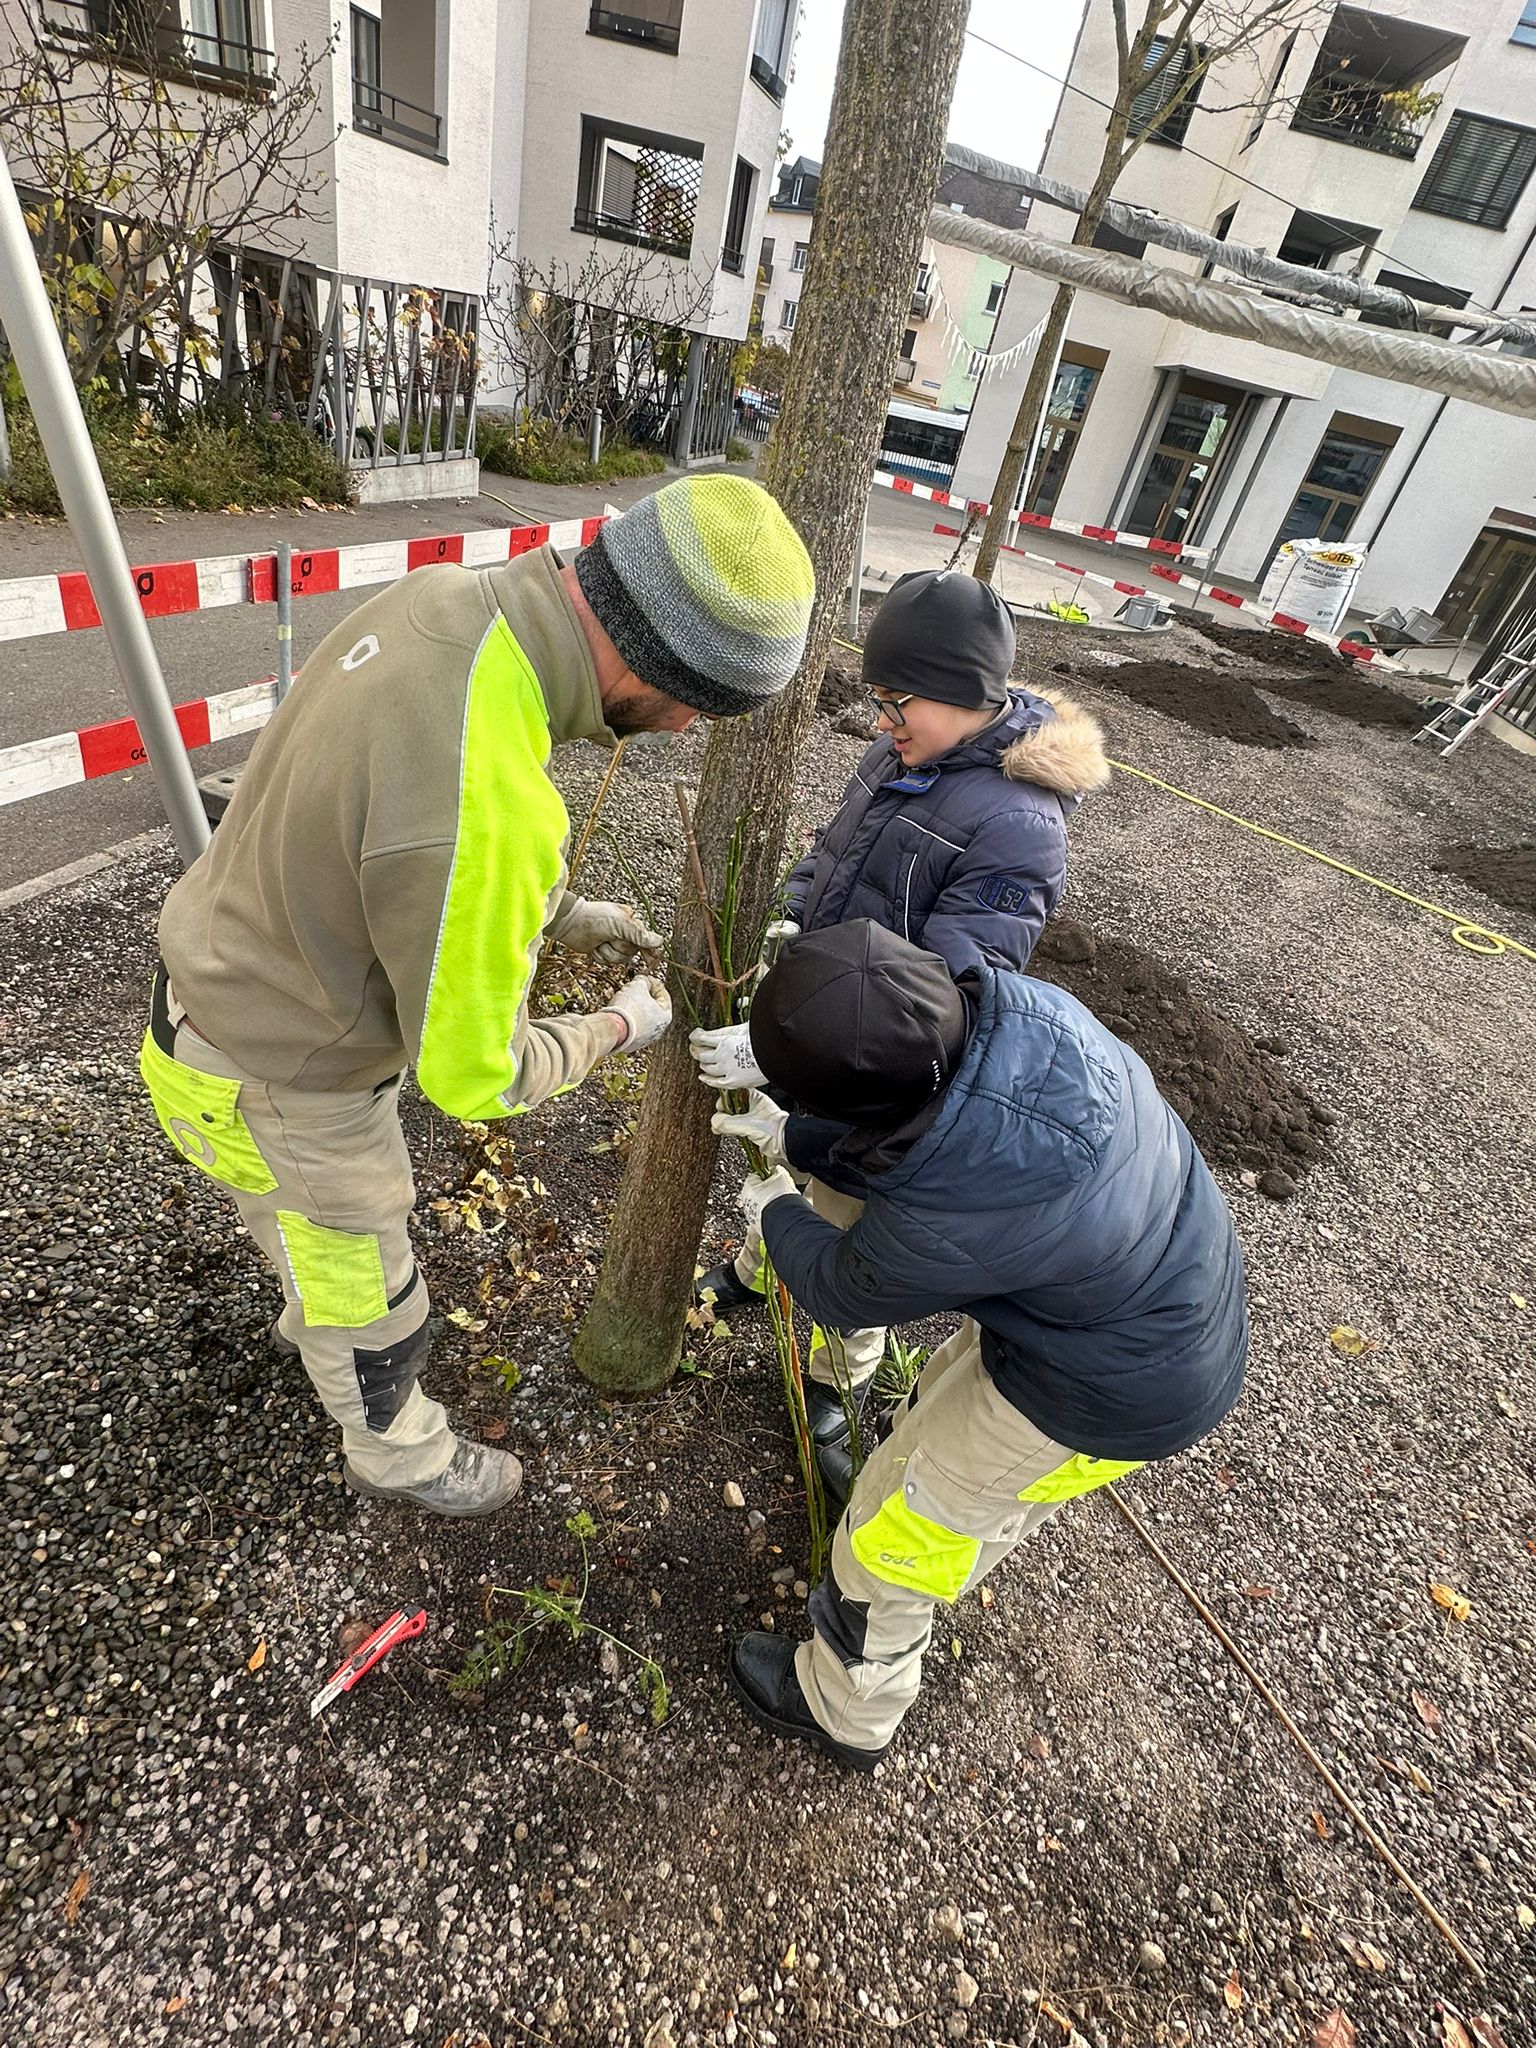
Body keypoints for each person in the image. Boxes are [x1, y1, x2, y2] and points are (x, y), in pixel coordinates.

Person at [140, 476, 814, 1517]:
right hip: (277, 1080)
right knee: (381, 1307)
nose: (682, 730)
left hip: (214, 988)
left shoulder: (448, 603)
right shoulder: (494, 805)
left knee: (319, 1255)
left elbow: (399, 830)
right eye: (697, 704)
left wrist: (561, 908)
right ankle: (393, 1447)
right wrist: (615, 1025)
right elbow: (473, 1074)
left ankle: (319, 1316)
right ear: (655, 661)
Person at [712, 920, 1248, 1769]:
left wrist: (775, 1204)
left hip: (1113, 1387)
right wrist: (798, 1133)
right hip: (1150, 1289)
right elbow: (911, 1133)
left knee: (900, 1531)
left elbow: (842, 1284)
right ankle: (951, 1520)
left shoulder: (948, 1214)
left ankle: (848, 1707)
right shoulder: (1026, 1015)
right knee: (937, 1412)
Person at [690, 567, 1109, 1448]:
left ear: (959, 693)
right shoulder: (900, 751)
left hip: (881, 1064)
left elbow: (952, 997)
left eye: (897, 700)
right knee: (788, 1170)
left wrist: (795, 1044)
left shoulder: (1020, 826)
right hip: (824, 1018)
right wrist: (793, 913)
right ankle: (762, 1270)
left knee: (843, 1207)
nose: (881, 722)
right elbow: (836, 849)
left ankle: (839, 1378)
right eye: (880, 702)